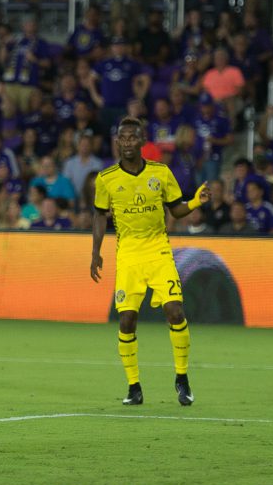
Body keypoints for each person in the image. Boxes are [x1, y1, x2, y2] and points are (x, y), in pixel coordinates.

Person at [90, 116, 210, 408]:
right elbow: (98, 215)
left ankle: (182, 378)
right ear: (118, 141)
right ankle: (134, 387)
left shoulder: (160, 172)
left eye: (133, 137)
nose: (128, 142)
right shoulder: (106, 179)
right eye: (123, 137)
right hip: (129, 255)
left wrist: (195, 202)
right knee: (127, 321)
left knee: (175, 312)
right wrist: (95, 252)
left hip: (158, 250)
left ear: (143, 141)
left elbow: (176, 210)